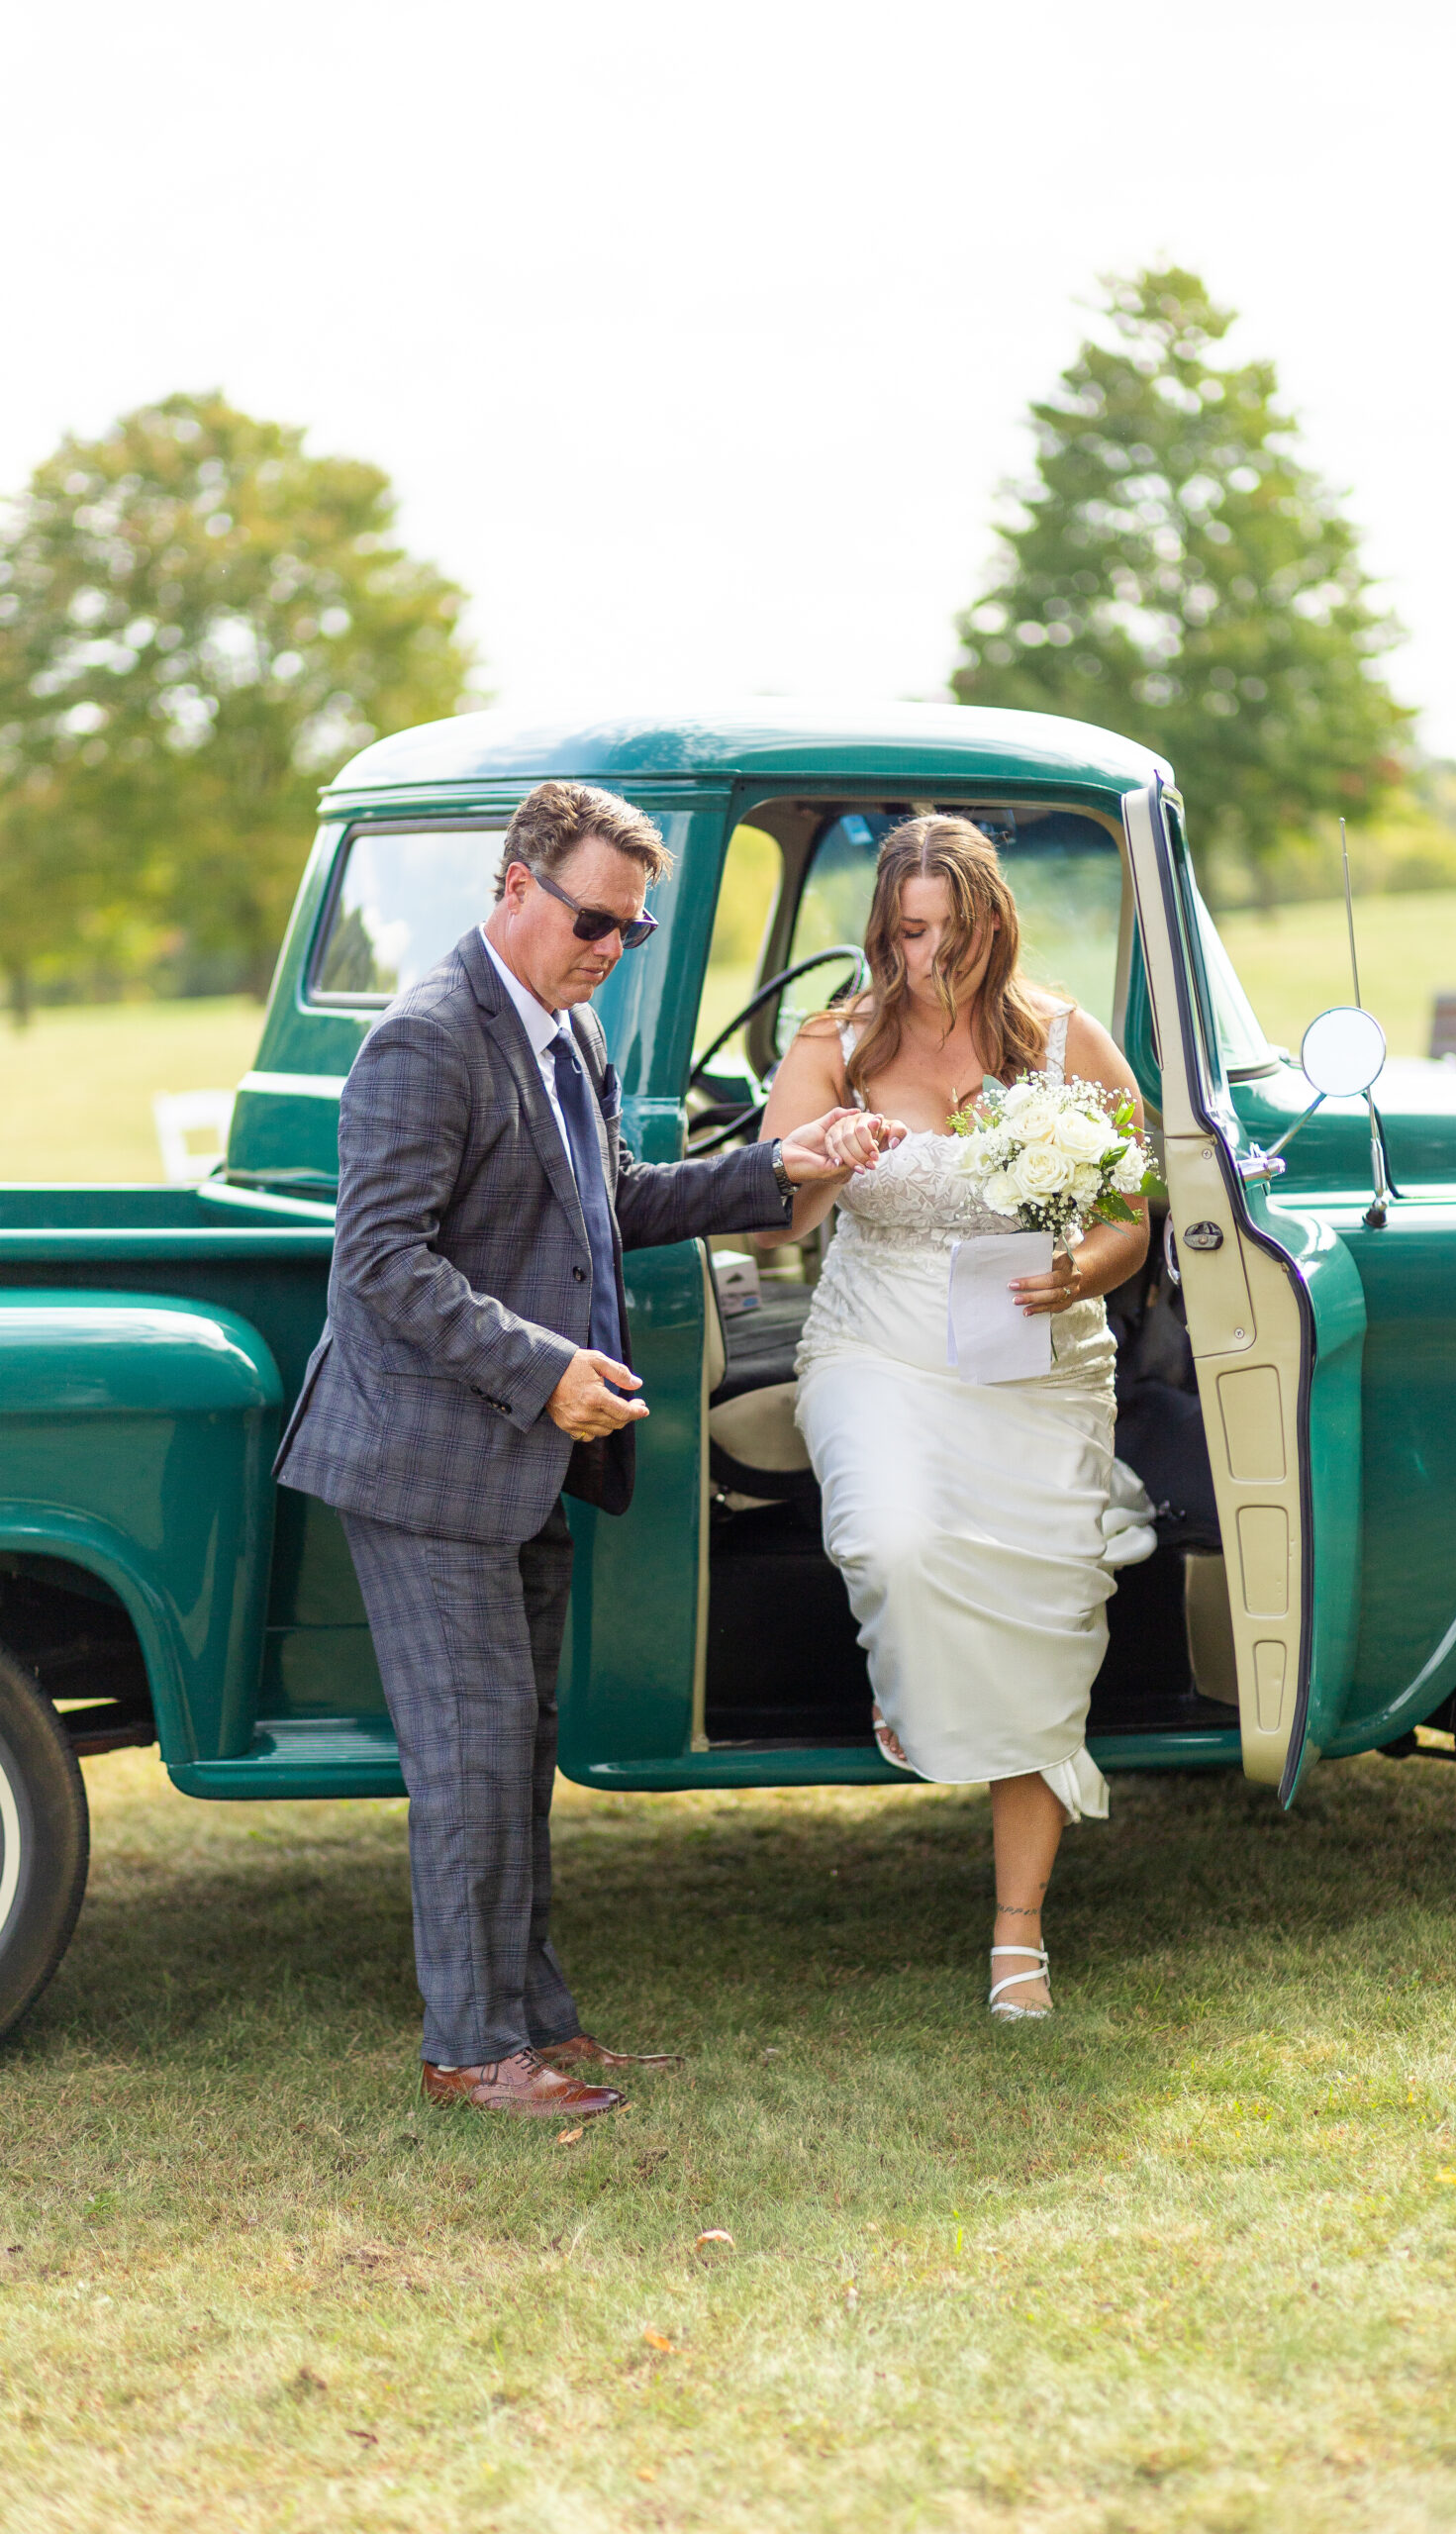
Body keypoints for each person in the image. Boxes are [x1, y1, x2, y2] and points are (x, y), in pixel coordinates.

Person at [275, 781, 857, 2118]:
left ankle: (534, 2021)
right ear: (514, 886)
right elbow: (379, 1265)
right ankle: (472, 2052)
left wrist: (783, 1165)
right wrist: (545, 1372)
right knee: (471, 1760)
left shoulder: (566, 1026)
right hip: (428, 1464)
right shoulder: (426, 1038)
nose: (609, 949)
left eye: (630, 930)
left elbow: (615, 1200)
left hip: (522, 1458)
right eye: (593, 920)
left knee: (518, 1747)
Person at [757, 815, 1150, 2019]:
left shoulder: (1067, 1039)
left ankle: (1018, 1935)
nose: (928, 956)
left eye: (950, 931)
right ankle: (910, 1663)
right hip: (876, 1346)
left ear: (994, 925)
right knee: (892, 1543)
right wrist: (827, 1152)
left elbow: (1132, 1217)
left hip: (1036, 1361)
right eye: (908, 932)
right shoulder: (836, 1039)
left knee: (1040, 1618)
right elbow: (772, 1221)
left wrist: (1079, 1272)